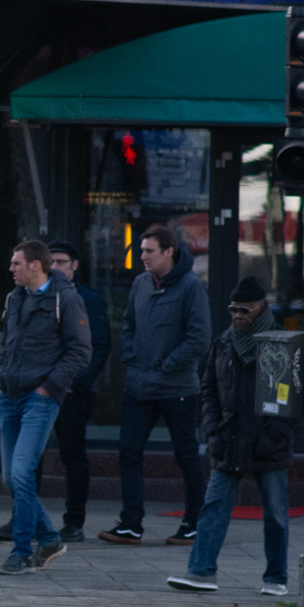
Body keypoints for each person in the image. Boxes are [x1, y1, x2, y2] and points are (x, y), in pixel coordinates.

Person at [167, 276, 293, 596]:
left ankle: (276, 578)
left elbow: (290, 398)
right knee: (214, 506)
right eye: (233, 309)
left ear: (262, 308)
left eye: (244, 310)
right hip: (230, 437)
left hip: (268, 441)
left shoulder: (279, 342)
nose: (237, 315)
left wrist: (275, 433)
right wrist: (212, 427)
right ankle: (200, 571)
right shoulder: (224, 342)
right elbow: (208, 388)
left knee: (276, 513)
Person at [0, 241, 107, 544]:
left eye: (16, 263)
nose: (11, 269)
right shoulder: (15, 298)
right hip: (11, 396)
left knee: (26, 473)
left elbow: (82, 350)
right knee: (12, 478)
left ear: (35, 266)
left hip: (41, 397)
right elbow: (10, 346)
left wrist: (49, 387)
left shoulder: (66, 298)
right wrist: (0, 385)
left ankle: (24, 550)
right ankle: (50, 539)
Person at [101, 223, 211, 547]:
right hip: (139, 385)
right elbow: (129, 326)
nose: (142, 256)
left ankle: (194, 523)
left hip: (177, 388)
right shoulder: (139, 283)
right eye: (141, 250)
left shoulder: (191, 287)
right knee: (129, 450)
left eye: (149, 251)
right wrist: (132, 359)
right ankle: (131, 523)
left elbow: (199, 338)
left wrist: (168, 363)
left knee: (186, 455)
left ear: (169, 252)